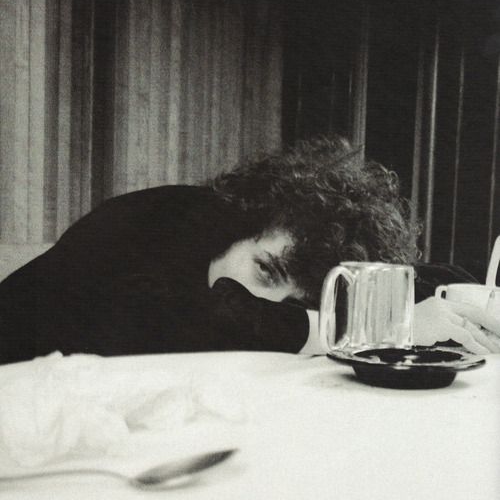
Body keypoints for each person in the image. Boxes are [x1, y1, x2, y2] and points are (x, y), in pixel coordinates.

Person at [0, 135, 498, 365]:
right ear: (251, 219)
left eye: (294, 301)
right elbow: (160, 313)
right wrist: (381, 325)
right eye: (265, 270)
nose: (267, 305)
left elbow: (429, 275)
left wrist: (465, 297)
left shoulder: (238, 245)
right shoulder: (155, 221)